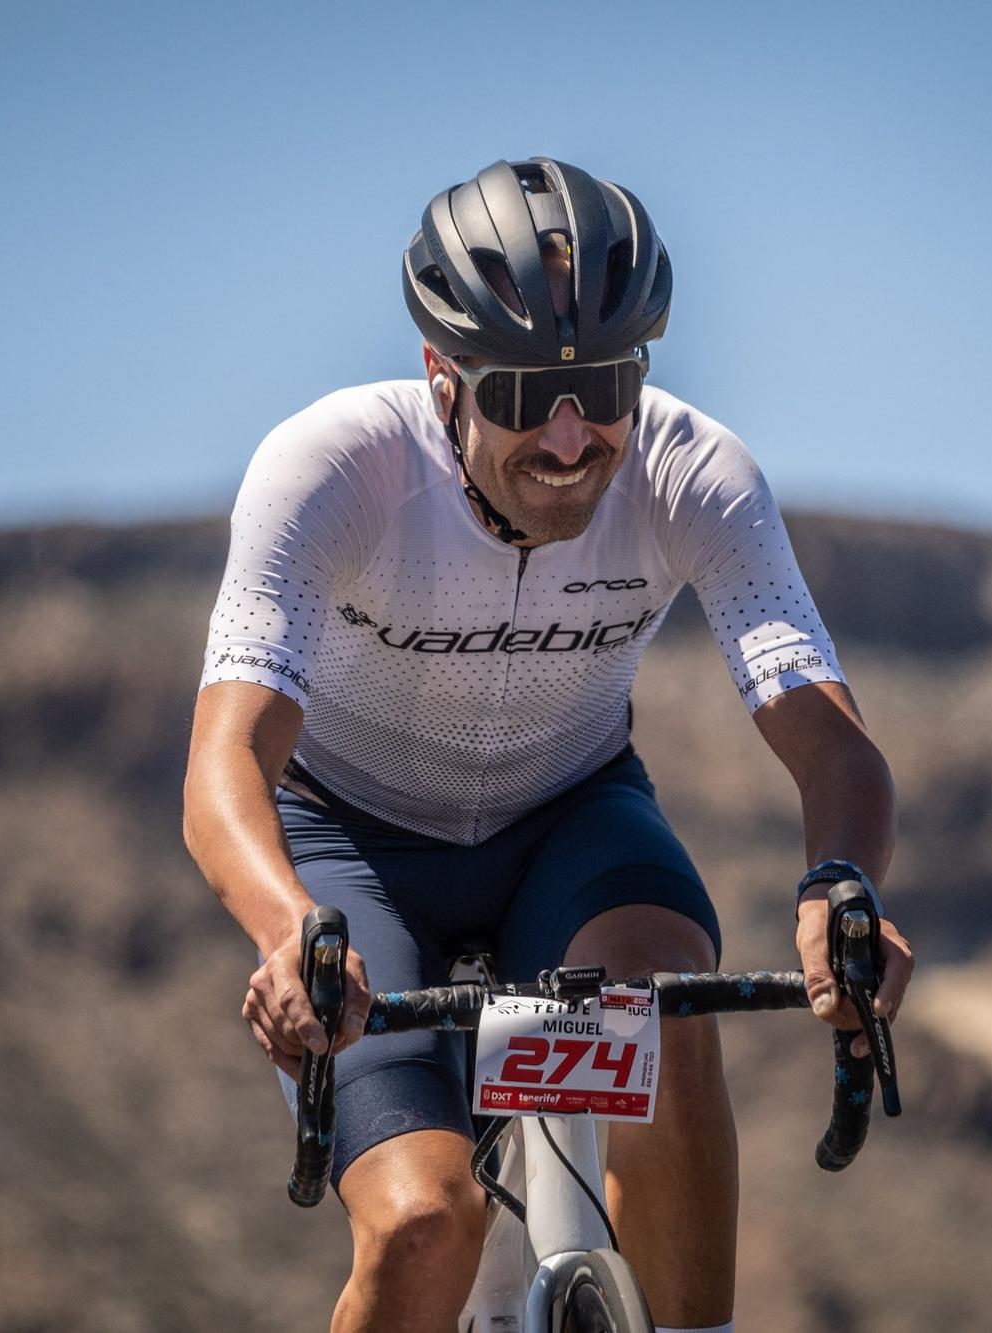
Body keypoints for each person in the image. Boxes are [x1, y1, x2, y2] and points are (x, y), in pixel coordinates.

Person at [183, 157, 912, 1333]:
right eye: (523, 395)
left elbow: (834, 747)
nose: (570, 437)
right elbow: (223, 764)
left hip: (566, 821)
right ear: (442, 376)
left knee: (664, 1026)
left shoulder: (694, 473)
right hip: (351, 851)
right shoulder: (331, 468)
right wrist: (285, 931)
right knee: (425, 1225)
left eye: (603, 385)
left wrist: (842, 885)